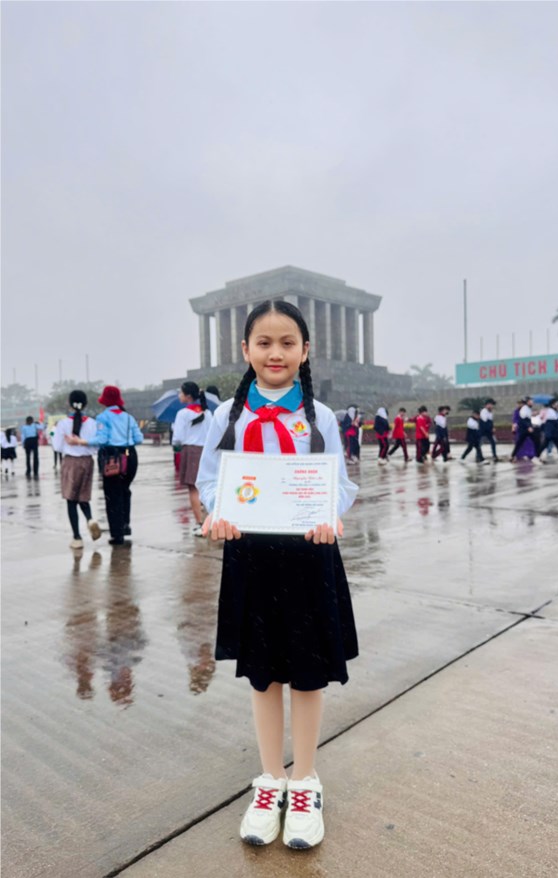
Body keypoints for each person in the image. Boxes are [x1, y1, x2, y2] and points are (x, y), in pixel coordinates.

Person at [197, 299, 358, 851]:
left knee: (309, 673)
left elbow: (339, 482)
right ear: (245, 350)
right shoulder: (228, 416)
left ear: (305, 350)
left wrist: (329, 516)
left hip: (310, 556)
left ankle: (305, 781)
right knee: (263, 675)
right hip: (251, 557)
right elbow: (211, 480)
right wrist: (217, 514)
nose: (275, 353)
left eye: (287, 342)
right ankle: (270, 781)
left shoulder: (321, 416)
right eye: (263, 343)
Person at [67, 386, 143, 546]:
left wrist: (81, 441)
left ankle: (117, 534)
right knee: (125, 491)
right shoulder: (129, 417)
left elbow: (102, 439)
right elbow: (139, 438)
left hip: (112, 458)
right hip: (130, 456)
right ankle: (125, 525)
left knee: (113, 495)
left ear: (105, 400)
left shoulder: (103, 417)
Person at [52, 390, 103, 549]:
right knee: (83, 497)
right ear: (85, 404)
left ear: (69, 403)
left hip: (70, 462)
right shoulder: (93, 423)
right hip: (87, 462)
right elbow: (97, 445)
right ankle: (90, 519)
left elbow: (57, 446)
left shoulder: (63, 423)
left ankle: (77, 537)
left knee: (71, 500)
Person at [172, 381, 213, 536]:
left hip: (190, 451)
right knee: (207, 487)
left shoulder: (183, 414)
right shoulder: (207, 413)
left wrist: (177, 446)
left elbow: (177, 438)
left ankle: (200, 523)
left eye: (181, 393)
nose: (179, 395)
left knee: (193, 489)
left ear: (188, 396)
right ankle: (210, 521)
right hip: (206, 451)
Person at [510, 397, 541, 463]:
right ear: (527, 402)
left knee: (522, 442)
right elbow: (523, 420)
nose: (532, 403)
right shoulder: (524, 409)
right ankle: (536, 456)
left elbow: (528, 419)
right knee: (521, 442)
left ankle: (513, 456)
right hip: (524, 429)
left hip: (525, 429)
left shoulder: (527, 409)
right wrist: (529, 427)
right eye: (531, 401)